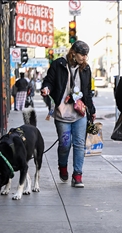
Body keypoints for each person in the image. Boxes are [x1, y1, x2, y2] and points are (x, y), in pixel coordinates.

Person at [41, 40, 96, 188]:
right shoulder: (58, 64)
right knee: (65, 144)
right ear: (73, 53)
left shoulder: (86, 68)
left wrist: (92, 110)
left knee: (79, 144)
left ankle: (77, 175)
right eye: (81, 55)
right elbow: (49, 81)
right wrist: (46, 88)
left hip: (80, 112)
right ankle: (63, 166)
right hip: (62, 111)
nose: (84, 58)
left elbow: (87, 92)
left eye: (86, 55)